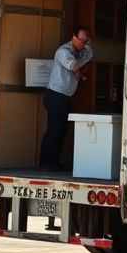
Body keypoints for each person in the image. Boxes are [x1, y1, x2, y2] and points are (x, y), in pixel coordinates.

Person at [40, 26, 93, 170]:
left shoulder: (82, 51)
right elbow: (73, 66)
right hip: (55, 95)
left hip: (66, 97)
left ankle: (54, 162)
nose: (83, 43)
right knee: (54, 130)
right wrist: (80, 74)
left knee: (62, 130)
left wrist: (87, 47)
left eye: (85, 41)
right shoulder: (63, 51)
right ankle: (46, 163)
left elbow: (89, 54)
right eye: (81, 40)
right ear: (73, 37)